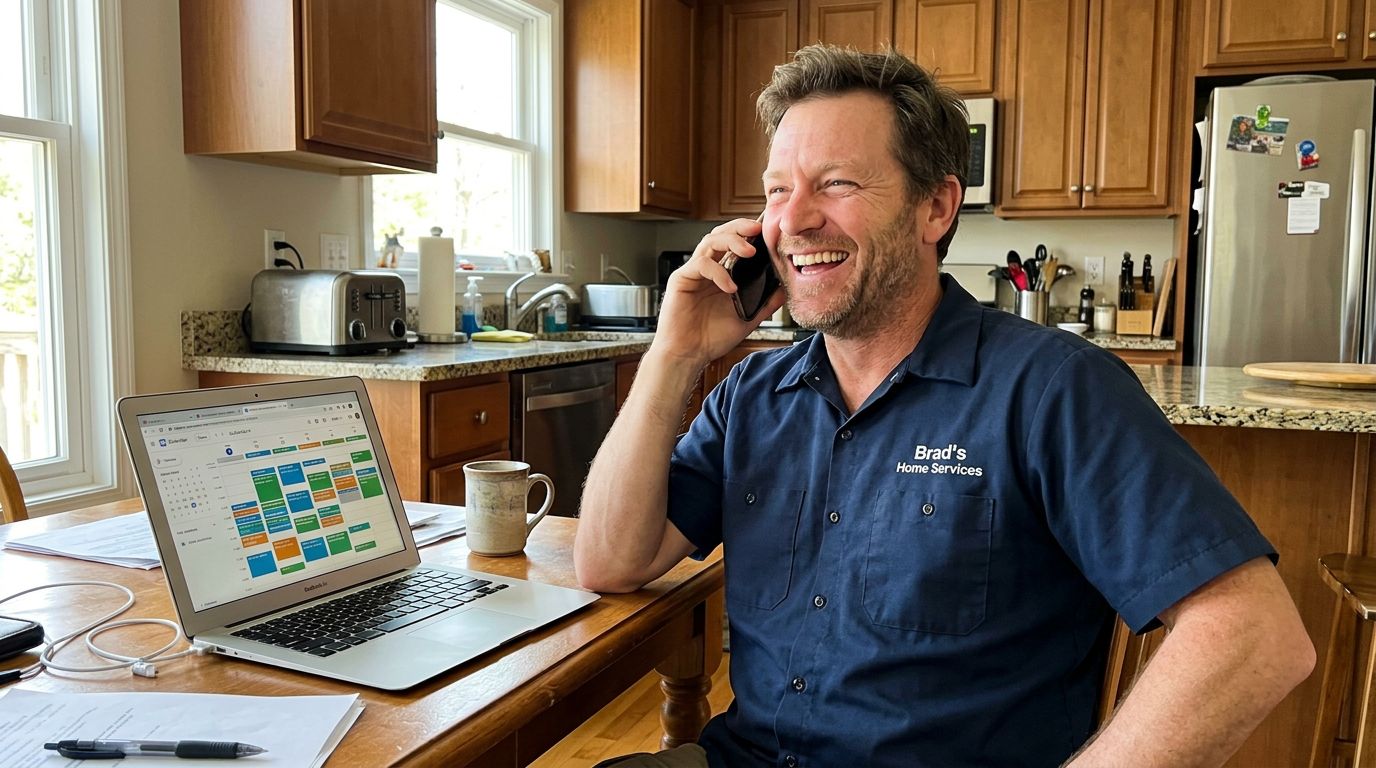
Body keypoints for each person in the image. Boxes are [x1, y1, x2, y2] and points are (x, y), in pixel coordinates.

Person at [575, 44, 1314, 767]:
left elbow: (1255, 633)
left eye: (836, 183)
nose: (793, 220)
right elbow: (611, 560)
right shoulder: (753, 396)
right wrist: (674, 353)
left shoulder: (1051, 390)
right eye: (776, 191)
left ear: (935, 207)